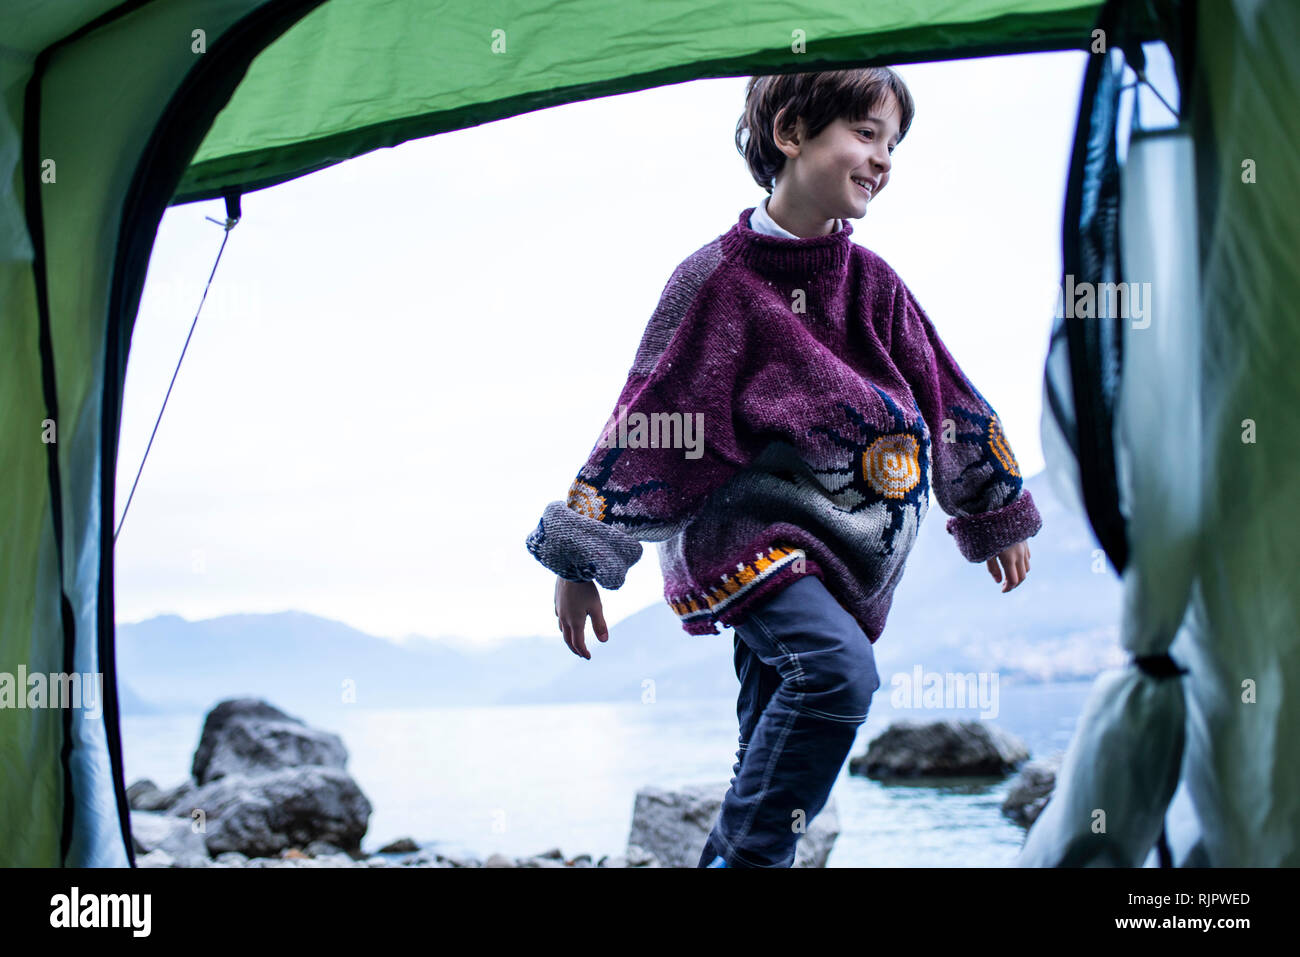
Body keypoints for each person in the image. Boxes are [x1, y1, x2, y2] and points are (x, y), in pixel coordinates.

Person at [525, 67, 1041, 867]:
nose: (884, 158)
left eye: (894, 143)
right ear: (791, 134)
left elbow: (946, 392)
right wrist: (582, 552)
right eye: (866, 134)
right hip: (750, 540)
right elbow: (650, 414)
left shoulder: (874, 287)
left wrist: (992, 505)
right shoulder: (718, 283)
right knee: (838, 677)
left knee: (771, 738)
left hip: (848, 555)